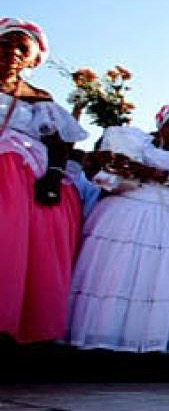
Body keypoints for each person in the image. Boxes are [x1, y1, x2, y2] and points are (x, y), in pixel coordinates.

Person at [69, 105, 169, 352]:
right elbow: (95, 168)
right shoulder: (137, 147)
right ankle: (104, 339)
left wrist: (150, 172)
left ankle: (155, 344)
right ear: (160, 128)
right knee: (118, 278)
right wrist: (103, 160)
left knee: (165, 282)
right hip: (126, 221)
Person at [0, 19, 88, 343]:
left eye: (22, 48)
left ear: (33, 60)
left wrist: (52, 180)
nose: (12, 52)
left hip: (19, 179)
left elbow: (59, 145)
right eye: (5, 44)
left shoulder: (39, 99)